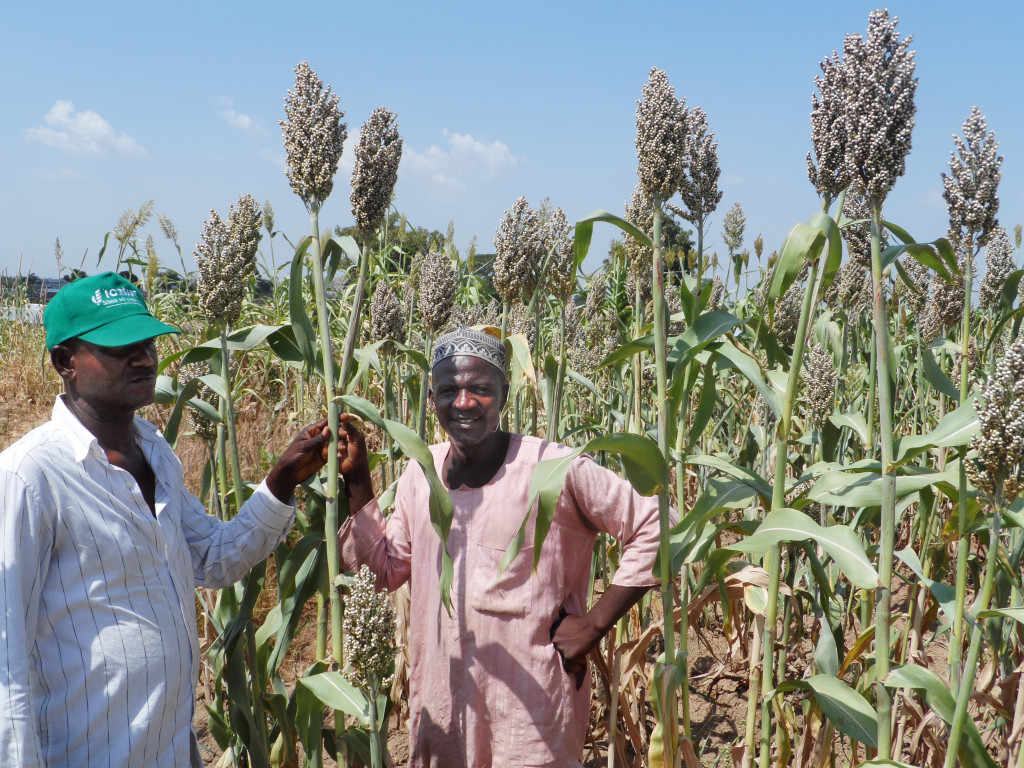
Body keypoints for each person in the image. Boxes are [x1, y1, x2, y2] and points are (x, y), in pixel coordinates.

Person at [0, 272, 337, 768]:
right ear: (64, 363)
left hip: (170, 750)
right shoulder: (31, 476)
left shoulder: (156, 453)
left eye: (148, 341)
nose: (144, 357)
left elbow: (215, 560)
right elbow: (7, 662)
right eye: (119, 346)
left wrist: (281, 482)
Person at [337, 325, 664, 767]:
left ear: (505, 394)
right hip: (443, 709)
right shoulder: (422, 473)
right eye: (449, 389)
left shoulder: (553, 468)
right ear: (432, 398)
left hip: (530, 717)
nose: (464, 401)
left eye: (480, 388)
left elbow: (659, 523)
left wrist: (593, 626)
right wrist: (356, 481)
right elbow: (384, 572)